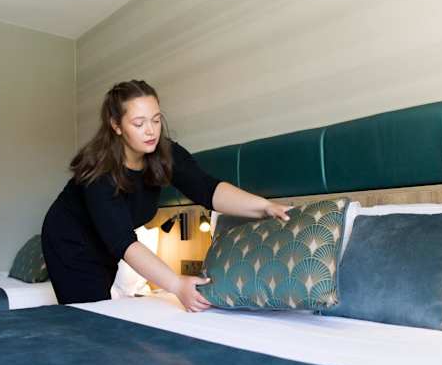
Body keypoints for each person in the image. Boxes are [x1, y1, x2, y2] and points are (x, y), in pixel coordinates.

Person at [41, 80, 291, 312]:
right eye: (139, 124)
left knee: (102, 306)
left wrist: (264, 206)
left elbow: (207, 189)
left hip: (107, 242)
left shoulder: (165, 154)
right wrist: (177, 285)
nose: (150, 131)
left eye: (156, 120)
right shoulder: (100, 173)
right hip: (70, 240)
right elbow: (124, 242)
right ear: (116, 125)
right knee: (91, 311)